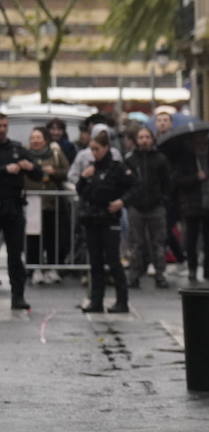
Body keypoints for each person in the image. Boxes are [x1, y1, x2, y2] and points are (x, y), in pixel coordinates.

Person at [76, 130, 133, 313]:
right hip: (92, 219)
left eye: (97, 149)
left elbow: (133, 187)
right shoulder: (92, 168)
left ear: (106, 148)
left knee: (113, 261)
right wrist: (84, 177)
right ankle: (96, 301)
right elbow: (80, 191)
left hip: (109, 219)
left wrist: (121, 202)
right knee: (95, 263)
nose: (94, 153)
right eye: (92, 149)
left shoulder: (117, 168)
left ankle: (122, 301)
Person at [0, 113, 41, 310]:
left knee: (16, 254)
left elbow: (39, 174)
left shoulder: (17, 148)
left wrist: (30, 166)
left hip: (13, 208)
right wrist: (4, 170)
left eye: (4, 125)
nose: (2, 129)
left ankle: (18, 295)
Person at [123, 127, 172, 289]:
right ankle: (134, 275)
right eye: (141, 137)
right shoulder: (130, 160)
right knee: (136, 243)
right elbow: (125, 183)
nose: (144, 140)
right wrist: (129, 201)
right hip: (136, 206)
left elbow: (167, 182)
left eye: (147, 137)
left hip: (156, 206)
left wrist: (163, 199)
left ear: (152, 139)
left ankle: (160, 274)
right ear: (136, 140)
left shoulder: (160, 159)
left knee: (158, 242)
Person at [173, 132, 209, 281]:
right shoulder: (186, 159)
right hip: (192, 204)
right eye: (199, 142)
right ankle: (192, 268)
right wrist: (195, 178)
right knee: (192, 239)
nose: (202, 145)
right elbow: (178, 181)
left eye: (204, 142)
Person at [24, 127, 69, 286]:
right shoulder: (25, 154)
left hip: (51, 202)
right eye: (33, 138)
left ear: (45, 139)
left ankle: (52, 267)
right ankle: (35, 268)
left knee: (52, 236)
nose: (35, 140)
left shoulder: (55, 153)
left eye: (38, 137)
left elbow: (66, 171)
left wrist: (54, 172)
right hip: (32, 202)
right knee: (33, 237)